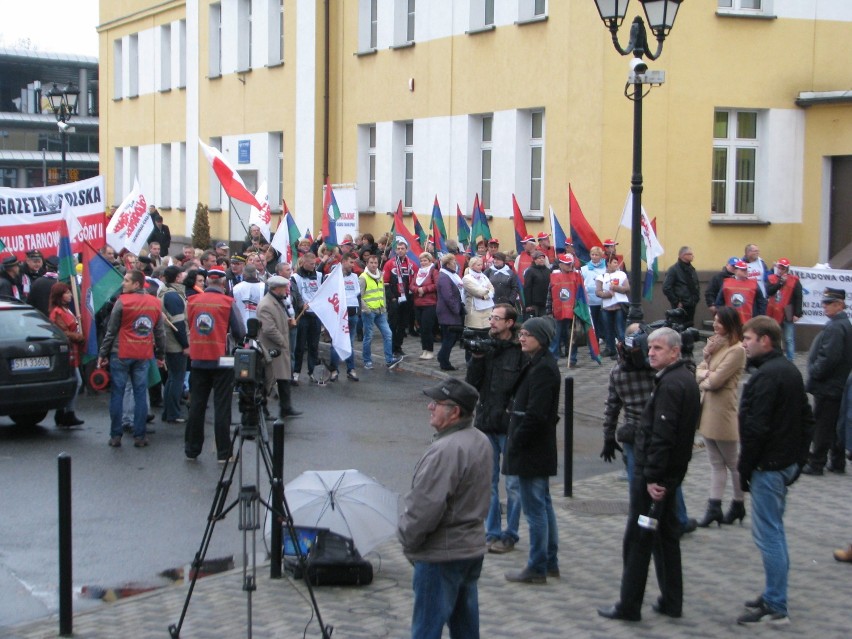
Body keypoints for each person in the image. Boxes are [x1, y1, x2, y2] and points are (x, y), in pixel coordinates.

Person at [598, 327, 700, 622]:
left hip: (653, 479)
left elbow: (664, 435)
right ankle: (671, 600)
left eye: (658, 348)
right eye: (650, 348)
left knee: (639, 539)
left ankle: (629, 605)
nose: (651, 353)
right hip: (666, 476)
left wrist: (655, 479)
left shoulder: (672, 384)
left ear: (674, 352)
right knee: (666, 536)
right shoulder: (678, 378)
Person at [397, 377, 491, 639]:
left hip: (441, 554)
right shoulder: (480, 440)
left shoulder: (446, 450)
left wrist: (407, 539)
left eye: (437, 403)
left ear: (455, 412)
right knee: (465, 627)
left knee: (426, 629)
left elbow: (424, 508)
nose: (429, 407)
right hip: (470, 548)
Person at [736, 315, 814, 625]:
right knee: (775, 532)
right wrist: (799, 460)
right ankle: (773, 593)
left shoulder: (768, 376)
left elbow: (756, 428)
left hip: (770, 466)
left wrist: (744, 470)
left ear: (765, 340)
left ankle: (776, 602)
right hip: (782, 462)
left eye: (749, 338)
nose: (745, 343)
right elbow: (807, 419)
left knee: (769, 535)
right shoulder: (789, 370)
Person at [503, 316, 561, 584]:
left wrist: (517, 441)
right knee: (543, 504)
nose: (521, 337)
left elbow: (537, 414)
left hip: (532, 448)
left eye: (527, 334)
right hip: (536, 446)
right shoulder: (537, 363)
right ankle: (549, 561)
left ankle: (538, 565)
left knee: (535, 508)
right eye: (521, 332)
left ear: (542, 338)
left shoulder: (544, 368)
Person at [466, 304, 524, 555]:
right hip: (486, 423)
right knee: (487, 483)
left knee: (512, 484)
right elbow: (472, 385)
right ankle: (490, 532)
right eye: (491, 318)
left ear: (510, 323)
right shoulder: (487, 346)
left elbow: (524, 389)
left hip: (509, 425)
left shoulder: (521, 351)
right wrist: (477, 359)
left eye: (497, 319)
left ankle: (510, 533)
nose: (491, 322)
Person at [97, 270, 166, 448]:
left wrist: (102, 354)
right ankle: (140, 435)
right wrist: (160, 355)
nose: (123, 284)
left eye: (127, 281)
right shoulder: (155, 303)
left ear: (137, 284)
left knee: (118, 394)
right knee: (140, 394)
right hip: (142, 353)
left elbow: (110, 331)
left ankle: (115, 435)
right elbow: (160, 333)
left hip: (121, 352)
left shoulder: (122, 302)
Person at [184, 267, 246, 461]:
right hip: (222, 359)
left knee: (197, 405)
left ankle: (192, 449)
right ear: (223, 284)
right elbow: (239, 332)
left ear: (208, 282)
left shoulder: (192, 301)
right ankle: (223, 452)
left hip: (197, 357)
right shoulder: (227, 303)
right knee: (222, 406)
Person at [694, 307, 747, 527]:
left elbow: (716, 381)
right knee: (716, 462)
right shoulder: (715, 344)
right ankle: (714, 506)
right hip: (707, 406)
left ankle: (738, 503)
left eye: (720, 322)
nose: (715, 325)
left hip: (723, 409)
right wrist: (706, 368)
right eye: (714, 321)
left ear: (730, 324)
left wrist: (705, 376)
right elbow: (700, 370)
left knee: (732, 461)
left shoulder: (736, 350)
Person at [802, 287, 852, 475]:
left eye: (829, 303)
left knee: (823, 425)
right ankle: (837, 461)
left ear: (839, 305)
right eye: (824, 302)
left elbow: (829, 357)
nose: (824, 306)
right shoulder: (842, 324)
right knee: (834, 423)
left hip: (829, 384)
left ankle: (817, 462)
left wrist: (815, 372)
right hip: (837, 383)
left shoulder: (836, 326)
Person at [600, 323, 656, 486]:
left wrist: (608, 435)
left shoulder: (618, 371)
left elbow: (611, 408)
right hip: (655, 431)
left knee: (637, 488)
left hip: (634, 432)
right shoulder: (656, 368)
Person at [256, 275, 301, 424]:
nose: (286, 290)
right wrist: (282, 342)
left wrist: (286, 322)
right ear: (276, 289)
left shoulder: (276, 301)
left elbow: (276, 321)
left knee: (283, 378)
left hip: (279, 348)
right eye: (284, 288)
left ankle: (286, 407)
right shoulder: (266, 305)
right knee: (269, 380)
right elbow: (269, 329)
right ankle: (263, 409)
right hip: (272, 348)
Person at [48, 283, 85, 428]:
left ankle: (64, 412)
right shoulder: (57, 312)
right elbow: (61, 332)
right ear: (59, 296)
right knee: (77, 382)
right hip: (67, 352)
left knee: (75, 382)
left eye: (70, 292)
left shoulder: (66, 310)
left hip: (73, 351)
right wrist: (78, 337)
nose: (70, 295)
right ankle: (66, 412)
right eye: (67, 293)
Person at [156, 265, 189, 424]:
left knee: (172, 378)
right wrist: (185, 344)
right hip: (174, 342)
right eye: (182, 274)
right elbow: (179, 324)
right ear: (177, 278)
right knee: (177, 378)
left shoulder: (165, 292)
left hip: (168, 340)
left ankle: (168, 411)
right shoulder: (173, 297)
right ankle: (173, 413)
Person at [359, 254, 402, 370]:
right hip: (369, 311)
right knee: (368, 336)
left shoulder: (380, 276)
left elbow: (382, 292)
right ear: (367, 264)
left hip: (380, 310)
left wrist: (384, 306)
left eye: (375, 263)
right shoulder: (363, 277)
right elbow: (359, 296)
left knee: (388, 334)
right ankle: (367, 361)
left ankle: (389, 360)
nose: (373, 265)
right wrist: (366, 309)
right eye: (371, 263)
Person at [291, 252, 324, 383]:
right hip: (303, 314)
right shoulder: (295, 278)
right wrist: (300, 305)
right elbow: (295, 293)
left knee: (313, 345)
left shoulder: (319, 276)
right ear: (304, 263)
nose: (314, 266)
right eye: (311, 264)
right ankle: (296, 371)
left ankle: (312, 371)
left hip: (315, 315)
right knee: (300, 345)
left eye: (315, 264)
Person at [328, 253, 361, 382]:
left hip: (352, 313)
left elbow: (357, 293)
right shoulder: (334, 275)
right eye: (351, 262)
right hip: (339, 315)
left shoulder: (354, 276)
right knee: (336, 343)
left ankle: (351, 369)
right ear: (344, 262)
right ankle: (334, 370)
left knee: (349, 343)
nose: (353, 265)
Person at [765, 258, 802, 362]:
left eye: (783, 268)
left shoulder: (794, 280)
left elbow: (799, 297)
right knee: (775, 337)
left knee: (789, 338)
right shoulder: (771, 278)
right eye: (779, 267)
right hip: (774, 311)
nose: (781, 270)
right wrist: (780, 283)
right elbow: (769, 291)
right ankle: (776, 358)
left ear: (787, 269)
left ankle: (790, 360)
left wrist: (797, 313)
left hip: (788, 311)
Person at [383, 239, 416, 358]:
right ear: (395, 250)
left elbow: (415, 280)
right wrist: (391, 298)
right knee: (393, 324)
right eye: (398, 248)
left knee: (403, 324)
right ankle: (390, 347)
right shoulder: (389, 264)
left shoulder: (411, 264)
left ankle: (398, 346)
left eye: (403, 248)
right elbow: (385, 282)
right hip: (394, 298)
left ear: (407, 250)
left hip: (407, 299)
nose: (400, 250)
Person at [596, 257, 630, 358]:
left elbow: (627, 288)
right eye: (614, 262)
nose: (616, 264)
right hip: (606, 307)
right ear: (608, 264)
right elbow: (598, 292)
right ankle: (610, 349)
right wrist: (607, 294)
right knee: (608, 329)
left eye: (617, 262)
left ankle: (623, 350)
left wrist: (617, 288)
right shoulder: (601, 276)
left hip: (619, 306)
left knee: (620, 329)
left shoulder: (622, 274)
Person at [436, 253, 464, 372]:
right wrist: (456, 309)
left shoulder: (451, 275)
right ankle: (444, 360)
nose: (456, 264)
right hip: (448, 312)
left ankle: (443, 357)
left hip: (451, 311)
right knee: (449, 337)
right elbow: (449, 296)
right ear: (448, 264)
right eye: (453, 262)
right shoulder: (444, 277)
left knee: (452, 337)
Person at [462, 257, 495, 359]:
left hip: (487, 309)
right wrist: (486, 293)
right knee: (473, 336)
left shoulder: (484, 276)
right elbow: (477, 292)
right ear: (472, 266)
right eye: (478, 265)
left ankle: (484, 358)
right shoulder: (467, 278)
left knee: (486, 334)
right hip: (474, 310)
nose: (481, 266)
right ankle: (470, 360)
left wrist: (486, 293)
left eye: (481, 264)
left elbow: (492, 288)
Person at [662, 246, 701, 327]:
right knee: (679, 327)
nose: (692, 256)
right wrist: (676, 302)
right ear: (683, 255)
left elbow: (695, 284)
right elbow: (666, 287)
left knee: (689, 327)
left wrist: (696, 298)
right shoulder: (673, 270)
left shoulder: (691, 269)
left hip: (692, 304)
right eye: (690, 254)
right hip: (680, 305)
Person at [410, 252, 439, 360]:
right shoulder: (418, 272)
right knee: (421, 328)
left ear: (430, 261)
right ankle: (424, 350)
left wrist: (424, 289)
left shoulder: (434, 271)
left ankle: (430, 350)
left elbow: (436, 285)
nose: (423, 262)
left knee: (427, 328)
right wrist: (418, 290)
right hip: (418, 303)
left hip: (429, 304)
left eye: (425, 260)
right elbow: (411, 285)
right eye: (421, 260)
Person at [581, 246, 607, 352]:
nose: (594, 257)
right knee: (593, 322)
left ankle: (606, 340)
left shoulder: (606, 268)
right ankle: (594, 343)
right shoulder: (584, 268)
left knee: (604, 322)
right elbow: (582, 283)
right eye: (592, 254)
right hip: (590, 300)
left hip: (604, 300)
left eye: (596, 255)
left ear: (601, 256)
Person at [231, 263, 265, 330]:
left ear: (243, 274)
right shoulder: (264, 288)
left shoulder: (236, 289)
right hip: (259, 326)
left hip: (240, 326)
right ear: (256, 274)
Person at [522, 251, 550, 318]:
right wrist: (528, 304)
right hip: (534, 303)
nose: (541, 259)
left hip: (545, 302)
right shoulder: (530, 271)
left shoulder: (548, 271)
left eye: (543, 258)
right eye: (539, 258)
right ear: (534, 260)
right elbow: (527, 288)